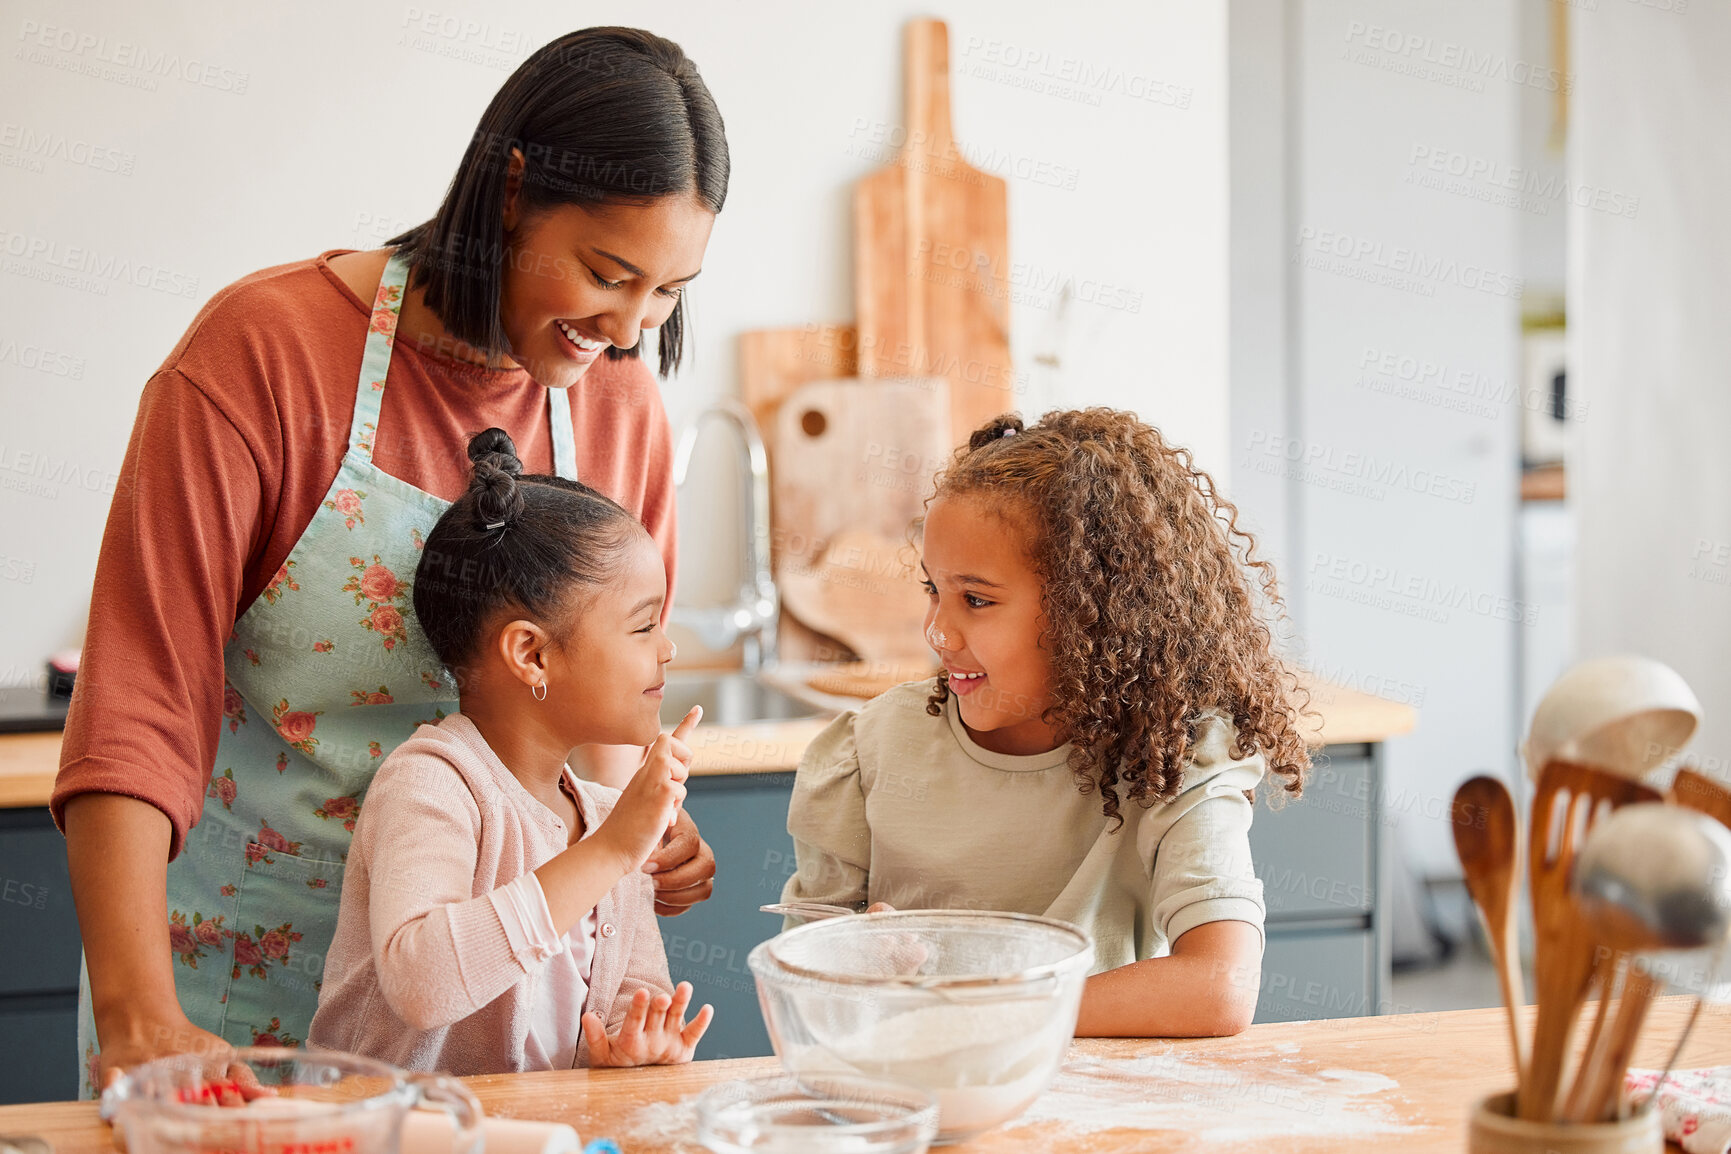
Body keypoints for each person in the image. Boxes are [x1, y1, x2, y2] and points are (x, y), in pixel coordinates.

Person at [54, 27, 726, 1095]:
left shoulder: (618, 405)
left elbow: (601, 722)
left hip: (492, 1054)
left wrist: (636, 825)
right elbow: (137, 702)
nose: (632, 324)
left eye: (667, 291)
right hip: (234, 1013)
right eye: (608, 272)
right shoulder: (261, 356)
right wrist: (143, 1014)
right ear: (512, 191)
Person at [781, 408, 1311, 1037]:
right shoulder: (870, 750)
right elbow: (804, 995)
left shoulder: (1172, 753)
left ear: (1093, 612)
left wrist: (982, 1011)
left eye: (976, 600)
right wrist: (851, 970)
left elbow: (1220, 986)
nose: (937, 631)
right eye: (933, 590)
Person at [309, 430, 712, 1072]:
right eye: (643, 625)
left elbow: (632, 992)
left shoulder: (613, 819)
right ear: (532, 654)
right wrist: (610, 851)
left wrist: (636, 1041)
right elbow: (420, 980)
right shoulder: (431, 785)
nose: (667, 648)